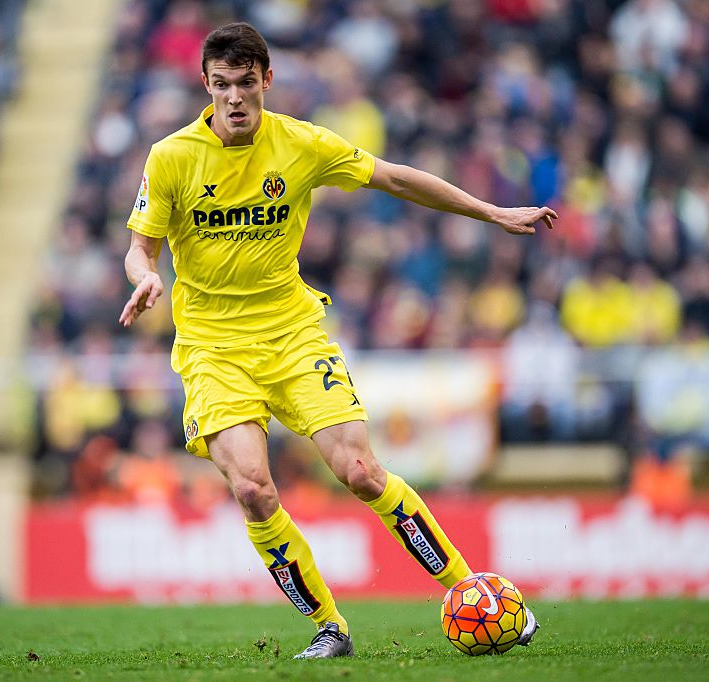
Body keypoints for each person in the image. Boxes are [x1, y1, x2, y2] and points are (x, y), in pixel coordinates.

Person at [119, 22, 556, 659]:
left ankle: (474, 590)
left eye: (246, 83)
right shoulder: (171, 157)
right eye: (221, 85)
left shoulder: (302, 143)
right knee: (252, 489)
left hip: (293, 334)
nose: (234, 97)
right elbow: (140, 248)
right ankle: (330, 628)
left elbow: (396, 179)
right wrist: (146, 276)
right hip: (212, 348)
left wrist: (492, 212)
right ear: (205, 84)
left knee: (360, 472)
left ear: (267, 79)